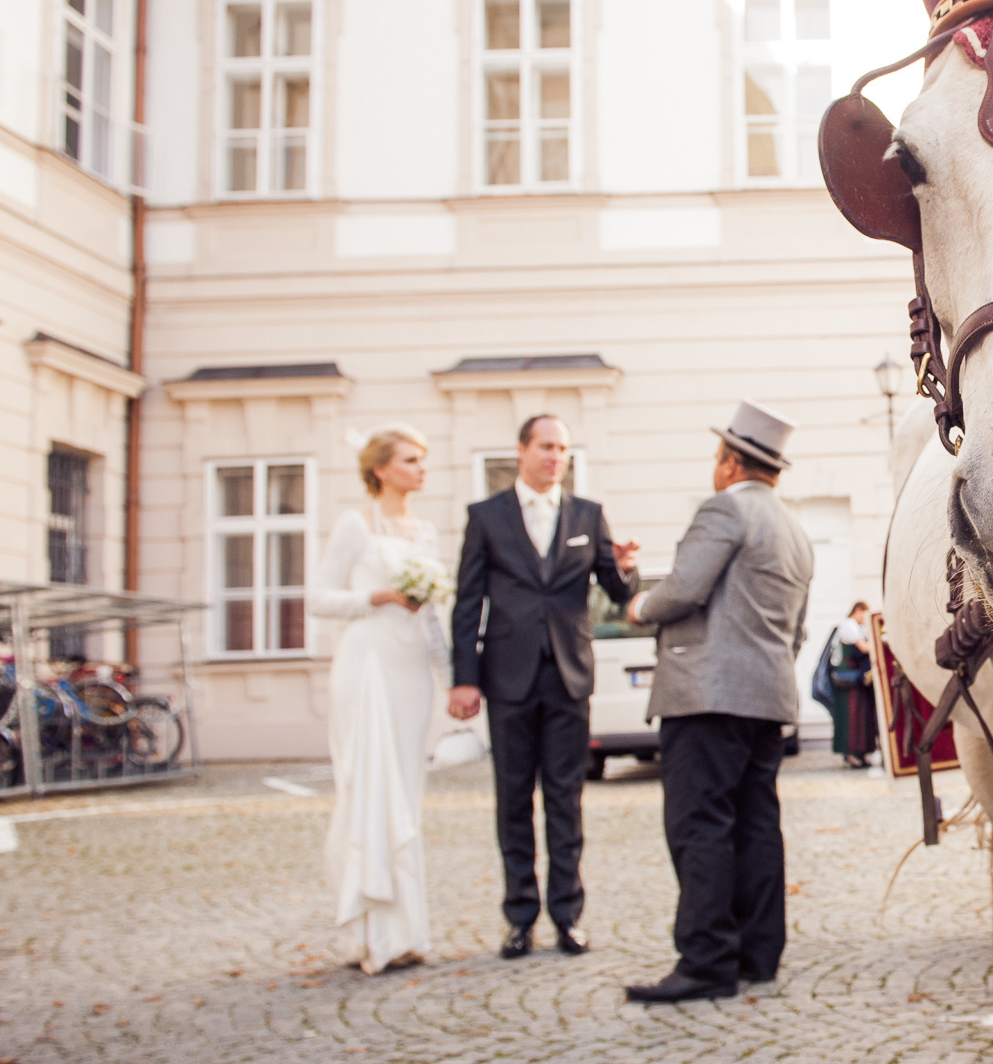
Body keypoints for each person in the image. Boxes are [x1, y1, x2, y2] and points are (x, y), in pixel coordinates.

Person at [621, 400, 814, 1003]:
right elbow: (798, 628)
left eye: (717, 457)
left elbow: (682, 589)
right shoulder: (795, 530)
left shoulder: (723, 509)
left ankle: (705, 960)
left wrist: (637, 606)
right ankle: (758, 954)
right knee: (757, 824)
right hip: (767, 695)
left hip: (706, 697)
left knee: (699, 824)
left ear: (732, 463)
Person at [448, 415, 635, 960]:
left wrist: (624, 566)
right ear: (522, 451)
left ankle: (568, 916)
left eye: (563, 450)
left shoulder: (587, 514)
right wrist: (464, 678)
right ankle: (519, 918)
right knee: (512, 802)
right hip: (506, 678)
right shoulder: (485, 518)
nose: (556, 457)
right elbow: (467, 603)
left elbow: (616, 592)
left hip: (568, 677)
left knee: (564, 800)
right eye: (546, 447)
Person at [311, 427, 444, 974]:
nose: (421, 469)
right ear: (382, 469)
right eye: (411, 460)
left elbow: (433, 615)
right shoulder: (355, 524)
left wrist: (455, 676)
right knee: (368, 785)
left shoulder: (426, 532)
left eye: (423, 460)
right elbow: (319, 598)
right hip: (366, 665)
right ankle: (368, 933)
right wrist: (380, 596)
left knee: (406, 793)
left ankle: (406, 931)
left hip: (412, 668)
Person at [826, 602, 878, 769]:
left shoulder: (856, 627)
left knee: (862, 715)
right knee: (850, 717)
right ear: (858, 611)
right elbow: (863, 648)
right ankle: (850, 754)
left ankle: (861, 753)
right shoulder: (849, 625)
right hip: (848, 677)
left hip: (856, 677)